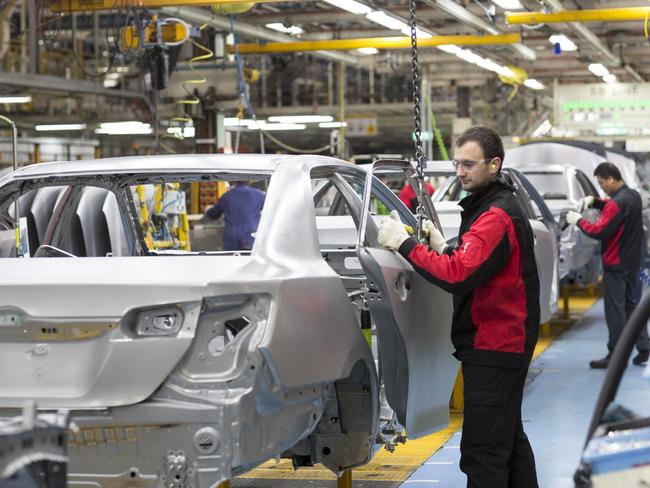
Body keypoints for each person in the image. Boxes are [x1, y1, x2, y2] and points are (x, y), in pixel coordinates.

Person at [377, 126, 539, 488]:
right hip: (505, 343)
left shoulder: (495, 216)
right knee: (508, 442)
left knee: (483, 452)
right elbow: (478, 266)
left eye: (468, 164)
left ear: (494, 165)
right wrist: (446, 247)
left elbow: (457, 276)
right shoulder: (492, 208)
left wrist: (405, 246)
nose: (460, 171)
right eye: (457, 163)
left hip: (495, 346)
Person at [566, 162, 650, 368]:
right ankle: (644, 347)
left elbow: (599, 231)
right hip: (633, 264)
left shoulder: (616, 203)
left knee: (615, 313)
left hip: (616, 265)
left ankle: (615, 356)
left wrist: (578, 221)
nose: (602, 186)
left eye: (602, 183)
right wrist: (595, 201)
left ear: (611, 179)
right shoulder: (633, 196)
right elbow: (617, 210)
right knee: (632, 308)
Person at [205, 181, 265, 251]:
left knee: (232, 260)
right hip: (251, 236)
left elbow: (214, 214)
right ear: (249, 181)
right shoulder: (259, 195)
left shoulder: (227, 196)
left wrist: (207, 210)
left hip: (232, 238)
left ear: (234, 181)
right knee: (252, 259)